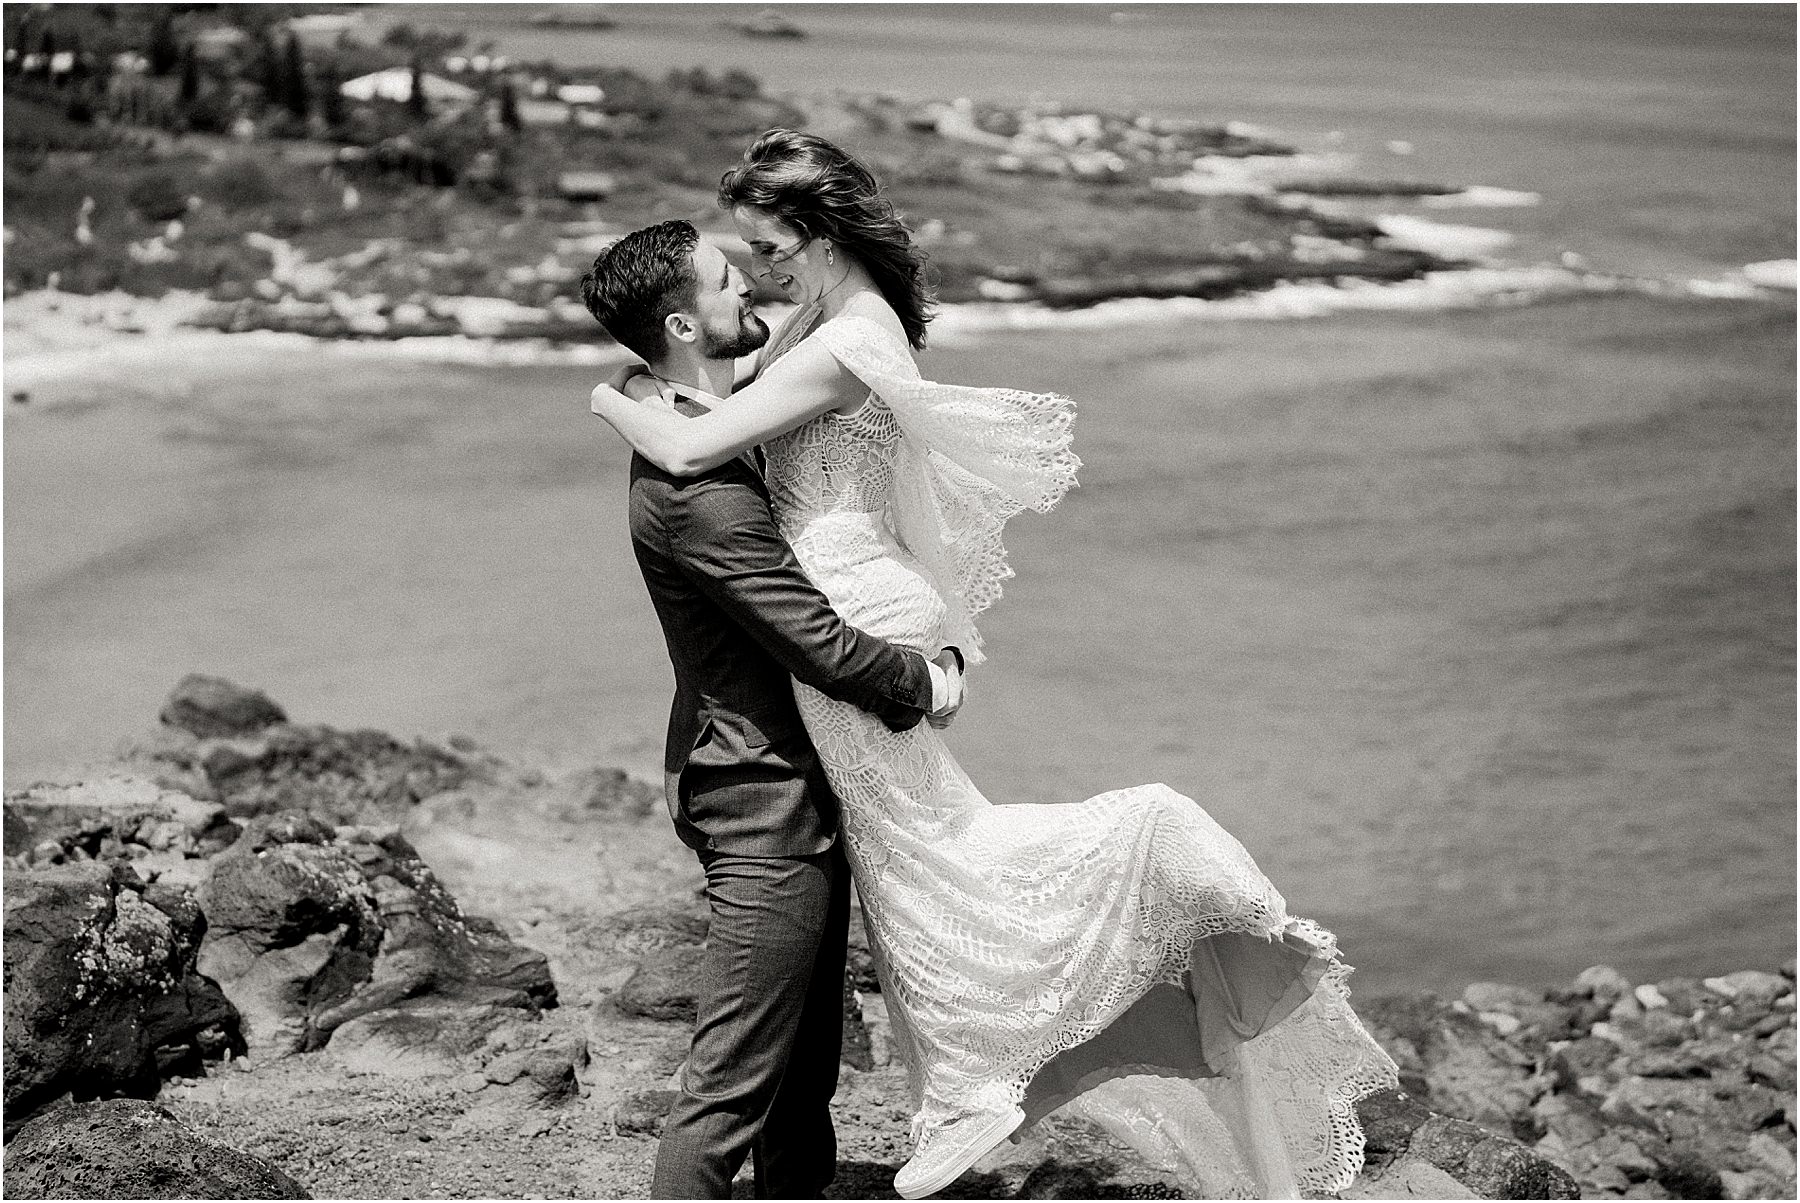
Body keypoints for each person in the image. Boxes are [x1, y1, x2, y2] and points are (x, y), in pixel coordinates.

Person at [587, 129, 1399, 1200]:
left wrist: (615, 394)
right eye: (740, 262)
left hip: (851, 637)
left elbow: (696, 444)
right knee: (910, 883)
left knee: (935, 864)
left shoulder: (829, 343)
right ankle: (972, 1067)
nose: (761, 276)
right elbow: (704, 418)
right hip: (815, 693)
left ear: (820, 239)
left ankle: (1116, 894)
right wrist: (641, 375)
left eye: (768, 250)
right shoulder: (825, 320)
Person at [578, 219, 969, 1200]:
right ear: (682, 320)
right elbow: (814, 639)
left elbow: (818, 332)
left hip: (787, 790)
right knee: (732, 1088)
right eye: (724, 279)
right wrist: (928, 683)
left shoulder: (698, 422)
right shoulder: (698, 491)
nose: (749, 284)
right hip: (763, 806)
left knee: (804, 1077)